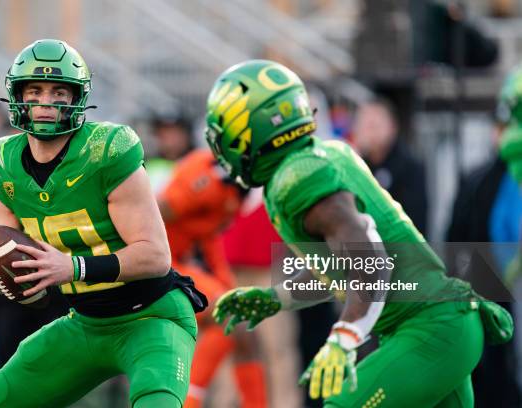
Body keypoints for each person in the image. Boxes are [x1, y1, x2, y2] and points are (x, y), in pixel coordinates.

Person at [204, 59, 513, 407]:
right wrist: (277, 297)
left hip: (430, 329)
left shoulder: (297, 178)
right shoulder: (322, 156)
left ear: (251, 129)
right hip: (442, 324)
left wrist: (344, 337)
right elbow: (342, 265)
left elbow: (370, 265)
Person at [0, 39, 203, 408]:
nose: (46, 102)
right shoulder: (1, 162)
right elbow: (12, 252)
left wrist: (72, 267)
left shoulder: (107, 150)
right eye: (35, 90)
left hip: (152, 315)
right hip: (84, 321)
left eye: (58, 92)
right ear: (18, 96)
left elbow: (156, 255)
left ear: (77, 98)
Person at [157, 149, 267, 408]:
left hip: (178, 262)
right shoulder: (206, 178)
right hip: (159, 264)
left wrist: (224, 280)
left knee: (242, 324)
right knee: (228, 314)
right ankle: (187, 402)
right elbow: (153, 212)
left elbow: (207, 234)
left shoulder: (231, 187)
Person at [352, 98, 427, 234]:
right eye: (363, 126)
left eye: (374, 126)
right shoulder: (356, 164)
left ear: (392, 127)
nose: (369, 133)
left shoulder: (409, 167)